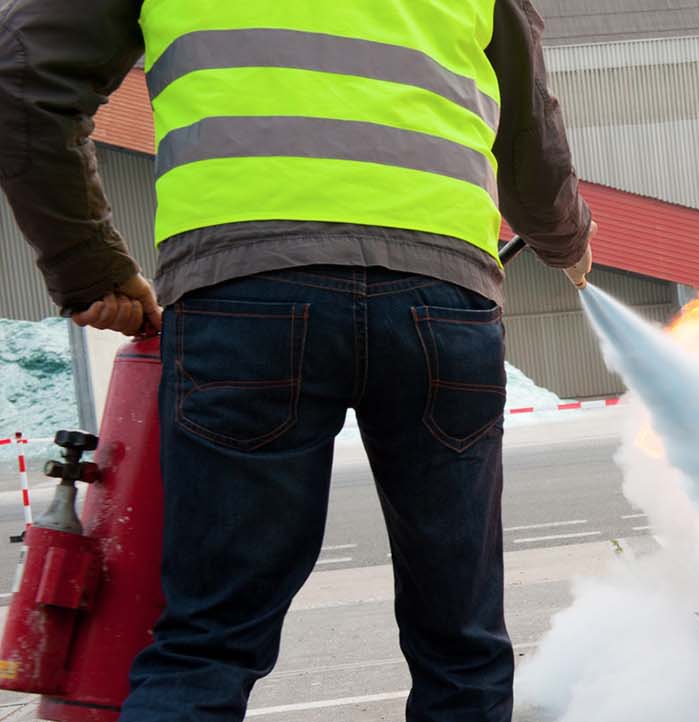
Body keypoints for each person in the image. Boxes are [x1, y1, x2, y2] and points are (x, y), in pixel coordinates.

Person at [0, 1, 594, 719]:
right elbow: (529, 133)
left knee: (208, 641)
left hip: (245, 296)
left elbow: (23, 79)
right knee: (462, 643)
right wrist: (566, 240)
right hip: (441, 304)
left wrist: (87, 266)